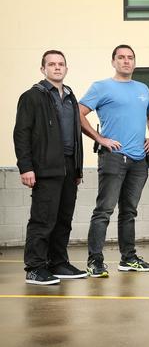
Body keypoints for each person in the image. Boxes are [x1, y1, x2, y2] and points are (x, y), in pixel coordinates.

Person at [78, 44, 149, 277]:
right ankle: (95, 261)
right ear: (113, 61)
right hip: (113, 158)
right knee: (104, 210)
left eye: (130, 58)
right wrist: (100, 138)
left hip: (138, 161)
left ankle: (128, 259)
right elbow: (79, 112)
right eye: (121, 57)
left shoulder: (142, 88)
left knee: (129, 212)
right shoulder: (102, 87)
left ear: (134, 62)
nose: (126, 61)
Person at [13, 50, 86, 285]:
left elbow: (76, 135)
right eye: (52, 64)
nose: (57, 67)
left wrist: (77, 168)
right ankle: (35, 267)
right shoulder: (32, 97)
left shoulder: (71, 96)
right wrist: (26, 167)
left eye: (61, 64)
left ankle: (58, 263)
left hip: (68, 166)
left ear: (66, 68)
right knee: (43, 219)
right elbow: (21, 134)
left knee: (63, 218)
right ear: (43, 69)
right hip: (45, 166)